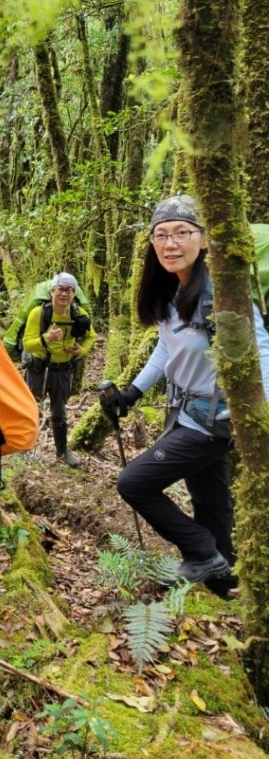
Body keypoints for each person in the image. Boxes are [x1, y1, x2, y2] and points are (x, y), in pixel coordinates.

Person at [101, 196, 269, 586]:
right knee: (211, 502)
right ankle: (222, 578)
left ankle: (201, 552)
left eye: (181, 233)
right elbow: (166, 348)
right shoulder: (176, 294)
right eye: (161, 235)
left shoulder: (220, 293)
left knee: (134, 482)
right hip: (187, 411)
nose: (170, 243)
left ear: (205, 240)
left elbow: (260, 346)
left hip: (216, 418)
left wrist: (261, 411)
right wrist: (132, 393)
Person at [21, 272, 95, 467]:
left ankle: (62, 452)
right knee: (30, 408)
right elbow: (27, 344)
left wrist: (81, 350)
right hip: (38, 368)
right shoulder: (39, 313)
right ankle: (23, 449)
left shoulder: (79, 314)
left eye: (69, 290)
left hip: (63, 370)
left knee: (60, 412)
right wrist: (47, 339)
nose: (65, 294)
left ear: (74, 293)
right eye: (61, 289)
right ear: (52, 291)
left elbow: (90, 336)